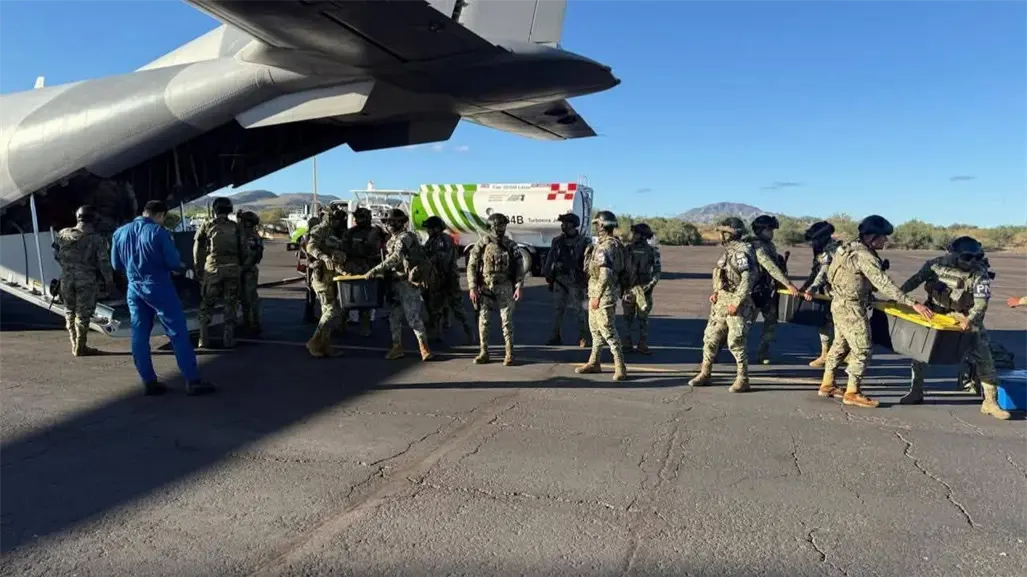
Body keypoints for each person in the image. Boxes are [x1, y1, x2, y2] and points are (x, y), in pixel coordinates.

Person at [818, 215, 933, 407]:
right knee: (862, 349)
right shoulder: (864, 256)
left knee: (840, 344)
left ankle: (827, 384)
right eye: (883, 237)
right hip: (851, 307)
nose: (886, 241)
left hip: (839, 303)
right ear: (872, 237)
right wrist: (912, 303)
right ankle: (852, 392)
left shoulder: (846, 248)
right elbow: (883, 283)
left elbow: (833, 274)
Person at [898, 236, 1010, 419]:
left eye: (976, 257)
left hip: (964, 317)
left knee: (984, 358)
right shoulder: (935, 265)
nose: (971, 262)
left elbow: (981, 304)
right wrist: (900, 297)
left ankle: (990, 402)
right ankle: (916, 391)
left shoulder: (979, 274)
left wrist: (971, 320)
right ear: (954, 255)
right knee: (919, 354)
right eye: (967, 258)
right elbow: (914, 281)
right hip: (934, 313)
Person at [111, 200, 214, 395]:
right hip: (158, 286)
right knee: (177, 331)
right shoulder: (158, 232)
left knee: (139, 334)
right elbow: (173, 261)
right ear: (160, 215)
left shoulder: (120, 232)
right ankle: (192, 380)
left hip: (134, 288)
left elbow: (116, 264)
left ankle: (149, 381)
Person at [688, 217, 757, 392]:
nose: (719, 235)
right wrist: (716, 293)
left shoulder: (742, 252)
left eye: (722, 232)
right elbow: (723, 275)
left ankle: (743, 378)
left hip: (737, 304)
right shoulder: (728, 252)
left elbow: (747, 280)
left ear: (730, 234)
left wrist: (736, 302)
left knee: (736, 341)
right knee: (710, 338)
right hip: (721, 303)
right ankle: (705, 373)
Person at [364, 209, 434, 361]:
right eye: (387, 222)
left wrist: (375, 270)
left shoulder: (406, 237)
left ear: (401, 222)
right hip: (395, 283)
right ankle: (397, 347)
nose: (389, 225)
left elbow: (396, 257)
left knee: (413, 318)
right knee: (394, 317)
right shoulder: (392, 239)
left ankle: (424, 348)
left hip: (408, 283)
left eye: (391, 222)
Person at [53, 205, 115, 356]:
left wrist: (68, 268)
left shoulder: (62, 234)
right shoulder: (97, 239)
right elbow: (104, 263)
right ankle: (80, 347)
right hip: (86, 281)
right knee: (83, 314)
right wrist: (109, 282)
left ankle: (75, 344)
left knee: (69, 312)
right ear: (94, 220)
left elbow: (56, 255)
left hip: (66, 280)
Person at [575, 210, 629, 379]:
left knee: (607, 330)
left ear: (601, 226)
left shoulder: (605, 247)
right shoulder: (616, 244)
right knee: (595, 330)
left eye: (597, 224)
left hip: (603, 294)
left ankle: (620, 366)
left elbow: (605, 273)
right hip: (602, 292)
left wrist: (597, 296)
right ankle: (594, 362)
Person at [467, 212, 525, 366]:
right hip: (486, 287)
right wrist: (472, 287)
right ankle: (484, 352)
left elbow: (520, 267)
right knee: (484, 320)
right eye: (499, 225)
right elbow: (472, 266)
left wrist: (518, 286)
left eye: (504, 225)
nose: (502, 228)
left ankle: (509, 353)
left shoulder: (511, 245)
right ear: (491, 226)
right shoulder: (482, 244)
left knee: (506, 321)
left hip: (505, 286)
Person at [745, 215, 801, 364]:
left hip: (765, 291)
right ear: (760, 230)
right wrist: (788, 284)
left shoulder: (769, 245)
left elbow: (776, 266)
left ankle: (762, 353)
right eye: (769, 229)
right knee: (743, 325)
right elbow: (770, 267)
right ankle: (724, 350)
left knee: (771, 322)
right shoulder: (756, 246)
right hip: (751, 291)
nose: (772, 232)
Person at [193, 196, 247, 349]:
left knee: (207, 304)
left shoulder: (207, 225)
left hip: (213, 269)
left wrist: (199, 268)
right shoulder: (236, 227)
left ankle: (203, 339)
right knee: (230, 304)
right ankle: (228, 339)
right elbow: (244, 249)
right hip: (232, 269)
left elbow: (198, 249)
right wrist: (241, 267)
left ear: (215, 210)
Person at [422, 216, 474, 344]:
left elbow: (440, 259)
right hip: (442, 277)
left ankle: (469, 333)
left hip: (445, 278)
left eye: (429, 228)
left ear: (436, 228)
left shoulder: (441, 240)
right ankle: (439, 333)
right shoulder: (438, 239)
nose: (428, 231)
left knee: (454, 307)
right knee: (438, 308)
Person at [304, 206, 348, 358]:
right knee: (330, 310)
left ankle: (325, 344)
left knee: (329, 312)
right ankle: (315, 341)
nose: (335, 221)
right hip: (321, 277)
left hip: (333, 277)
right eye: (332, 217)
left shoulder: (334, 233)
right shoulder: (319, 230)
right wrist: (323, 257)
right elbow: (310, 246)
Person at [542, 213, 589, 347]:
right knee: (558, 310)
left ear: (573, 224)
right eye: (562, 223)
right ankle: (555, 336)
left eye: (565, 223)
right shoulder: (557, 241)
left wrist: (586, 280)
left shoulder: (583, 242)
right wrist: (549, 276)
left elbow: (588, 262)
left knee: (579, 310)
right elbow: (550, 259)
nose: (562, 225)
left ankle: (584, 337)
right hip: (560, 280)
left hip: (576, 281)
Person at [799, 221, 842, 367]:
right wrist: (805, 287)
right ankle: (829, 354)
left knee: (835, 324)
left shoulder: (831, 250)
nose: (813, 243)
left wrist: (813, 288)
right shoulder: (822, 249)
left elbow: (824, 271)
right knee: (826, 322)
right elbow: (815, 270)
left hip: (838, 293)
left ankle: (829, 356)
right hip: (830, 292)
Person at [341, 207, 387, 336]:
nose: (359, 220)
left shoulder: (376, 232)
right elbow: (345, 249)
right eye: (358, 217)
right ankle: (342, 324)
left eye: (362, 217)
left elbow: (383, 250)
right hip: (352, 268)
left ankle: (365, 327)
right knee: (347, 298)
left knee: (367, 299)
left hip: (370, 269)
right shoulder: (349, 233)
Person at [621, 222, 661, 355]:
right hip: (629, 289)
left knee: (641, 319)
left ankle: (642, 344)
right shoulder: (627, 250)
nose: (633, 236)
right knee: (628, 318)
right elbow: (621, 270)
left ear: (642, 236)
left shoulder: (652, 251)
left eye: (636, 233)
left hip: (643, 291)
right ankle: (627, 344)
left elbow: (656, 272)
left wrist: (648, 287)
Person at [237, 211, 264, 335]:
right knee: (244, 298)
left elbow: (252, 256)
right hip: (245, 269)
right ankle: (248, 321)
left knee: (250, 298)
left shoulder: (251, 237)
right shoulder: (248, 235)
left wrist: (242, 268)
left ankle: (253, 323)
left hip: (248, 270)